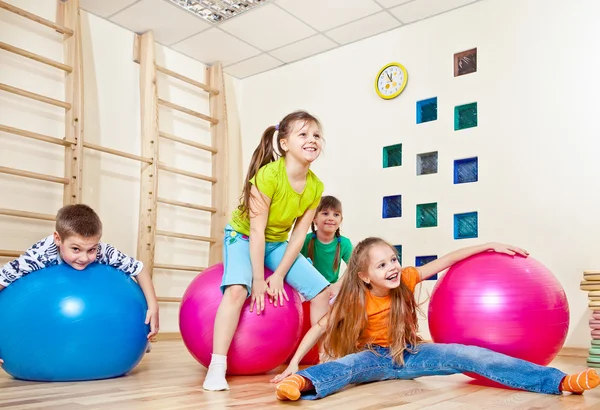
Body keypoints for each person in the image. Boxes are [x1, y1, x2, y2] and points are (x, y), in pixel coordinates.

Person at [272, 237, 599, 400]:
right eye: (382, 265)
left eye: (393, 259)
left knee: (469, 354)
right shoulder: (354, 301)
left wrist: (489, 245)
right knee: (348, 366)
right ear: (364, 276)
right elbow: (319, 326)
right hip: (375, 357)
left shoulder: (408, 280)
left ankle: (557, 381)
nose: (393, 267)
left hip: (413, 353)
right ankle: (304, 383)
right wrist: (294, 364)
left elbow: (446, 260)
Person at [202, 111, 331, 391]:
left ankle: (320, 359)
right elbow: (256, 231)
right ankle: (217, 365)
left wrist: (279, 274)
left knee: (322, 292)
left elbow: (298, 236)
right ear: (284, 144)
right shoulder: (269, 175)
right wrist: (259, 280)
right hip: (243, 235)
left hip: (276, 243)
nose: (312, 140)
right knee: (237, 290)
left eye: (317, 135)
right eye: (304, 134)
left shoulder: (315, 186)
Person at [0, 204, 160, 366]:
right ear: (57, 238)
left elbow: (139, 269)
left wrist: (153, 308)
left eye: (91, 249)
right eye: (76, 249)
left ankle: (127, 344)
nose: (84, 258)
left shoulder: (103, 251)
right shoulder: (37, 257)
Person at [301, 195, 352, 298]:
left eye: (336, 215)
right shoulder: (305, 240)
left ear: (341, 220)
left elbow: (355, 267)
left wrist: (336, 286)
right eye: (325, 213)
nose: (331, 218)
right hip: (306, 290)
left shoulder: (344, 243)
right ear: (314, 218)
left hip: (331, 291)